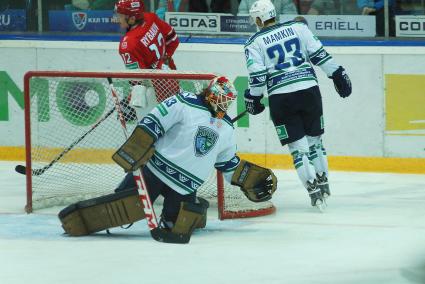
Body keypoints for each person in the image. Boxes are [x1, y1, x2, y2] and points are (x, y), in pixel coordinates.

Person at [111, 76, 277, 240]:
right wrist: (138, 144)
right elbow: (155, 121)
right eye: (221, 98)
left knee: (176, 227)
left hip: (184, 186)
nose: (223, 103)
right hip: (154, 171)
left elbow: (227, 164)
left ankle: (185, 210)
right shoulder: (185, 101)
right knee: (118, 208)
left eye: (227, 101)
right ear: (210, 93)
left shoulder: (226, 126)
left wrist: (247, 177)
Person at [243, 0, 352, 209]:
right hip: (309, 91)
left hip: (281, 98)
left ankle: (313, 190)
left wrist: (253, 98)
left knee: (298, 150)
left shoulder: (253, 43)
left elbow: (257, 76)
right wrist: (337, 73)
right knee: (316, 142)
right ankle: (324, 182)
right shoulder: (298, 28)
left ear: (258, 19)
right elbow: (321, 56)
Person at [115, 0, 180, 106]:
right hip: (171, 77)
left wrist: (129, 101)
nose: (118, 19)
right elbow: (173, 39)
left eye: (121, 16)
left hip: (154, 92)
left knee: (150, 121)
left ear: (132, 19)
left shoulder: (128, 44)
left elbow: (139, 80)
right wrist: (164, 59)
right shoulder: (150, 17)